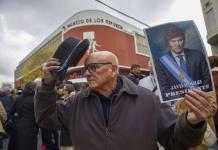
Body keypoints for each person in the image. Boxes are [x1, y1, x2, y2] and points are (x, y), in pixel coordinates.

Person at [35, 51, 212, 150]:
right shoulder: (76, 102)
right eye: (86, 69)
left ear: (113, 69)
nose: (87, 73)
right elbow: (45, 117)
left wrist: (192, 123)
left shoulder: (147, 100)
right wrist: (47, 84)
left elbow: (177, 142)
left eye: (93, 67)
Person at [155, 24, 212, 101]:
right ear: (168, 43)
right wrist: (183, 102)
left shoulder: (198, 55)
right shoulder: (161, 63)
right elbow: (164, 89)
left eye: (180, 40)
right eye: (173, 41)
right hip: (178, 106)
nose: (177, 44)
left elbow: (207, 80)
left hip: (201, 100)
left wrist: (198, 98)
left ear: (184, 40)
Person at [7, 81, 39, 150]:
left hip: (17, 127)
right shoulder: (36, 99)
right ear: (34, 89)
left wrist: (15, 120)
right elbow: (38, 116)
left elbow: (10, 113)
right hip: (30, 128)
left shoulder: (18, 98)